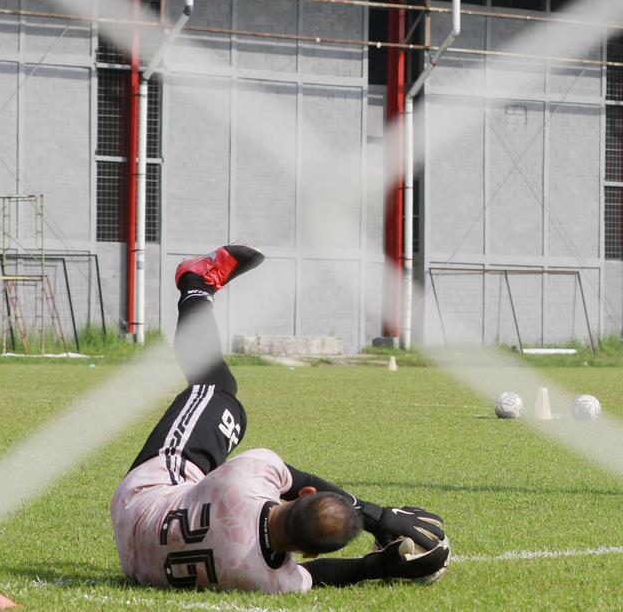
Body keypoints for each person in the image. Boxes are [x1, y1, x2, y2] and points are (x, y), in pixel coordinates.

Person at [111, 245, 449, 592]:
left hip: (143, 495)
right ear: (308, 553)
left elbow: (294, 479)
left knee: (215, 386)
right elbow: (318, 576)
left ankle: (196, 282)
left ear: (303, 495)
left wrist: (378, 517)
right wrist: (377, 566)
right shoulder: (265, 580)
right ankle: (198, 284)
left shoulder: (243, 480)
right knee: (221, 405)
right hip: (133, 553)